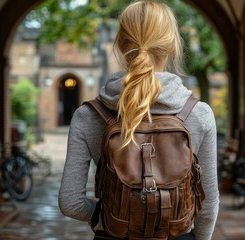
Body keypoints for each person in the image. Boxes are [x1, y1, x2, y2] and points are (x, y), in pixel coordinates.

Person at [58, 1, 219, 239]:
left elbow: (70, 202)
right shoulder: (199, 113)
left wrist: (108, 217)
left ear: (121, 45)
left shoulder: (89, 115)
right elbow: (207, 204)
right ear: (173, 45)